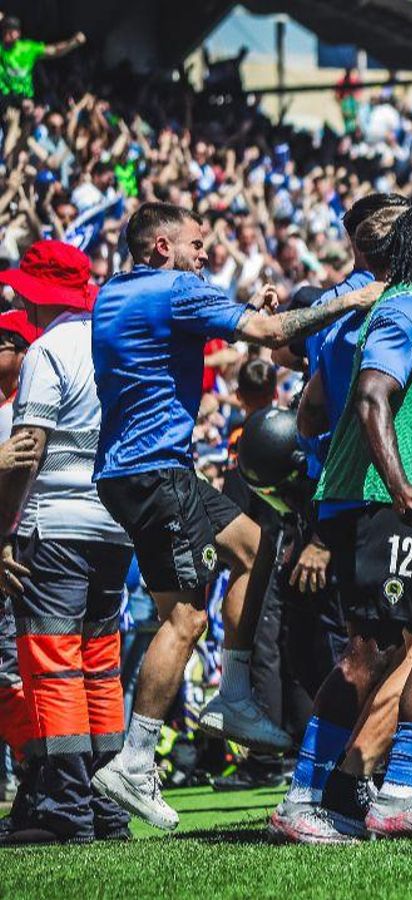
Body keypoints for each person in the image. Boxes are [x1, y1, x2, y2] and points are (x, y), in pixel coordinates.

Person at [88, 202, 384, 831]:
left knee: (255, 543)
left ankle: (236, 693)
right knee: (186, 616)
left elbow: (224, 326)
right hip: (155, 472)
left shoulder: (117, 290)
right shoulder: (176, 290)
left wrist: (253, 309)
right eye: (197, 244)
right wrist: (351, 300)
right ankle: (135, 759)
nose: (206, 254)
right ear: (163, 247)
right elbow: (275, 337)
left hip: (140, 469)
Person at [298, 201, 412, 841]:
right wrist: (399, 482)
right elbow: (374, 392)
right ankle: (301, 799)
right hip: (384, 499)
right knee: (369, 652)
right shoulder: (404, 306)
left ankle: (399, 796)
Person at [0, 241, 130, 846]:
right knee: (100, 668)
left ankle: (67, 810)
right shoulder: (114, 337)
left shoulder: (49, 349)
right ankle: (107, 808)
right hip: (116, 522)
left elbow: (26, 450)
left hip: (54, 524)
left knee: (53, 669)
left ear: (35, 292)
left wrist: (4, 531)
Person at [0, 18, 86, 101]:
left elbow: (54, 50)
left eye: (11, 31)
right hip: (3, 96)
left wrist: (73, 43)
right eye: (5, 30)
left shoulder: (28, 48)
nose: (8, 34)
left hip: (24, 98)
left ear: (18, 33)